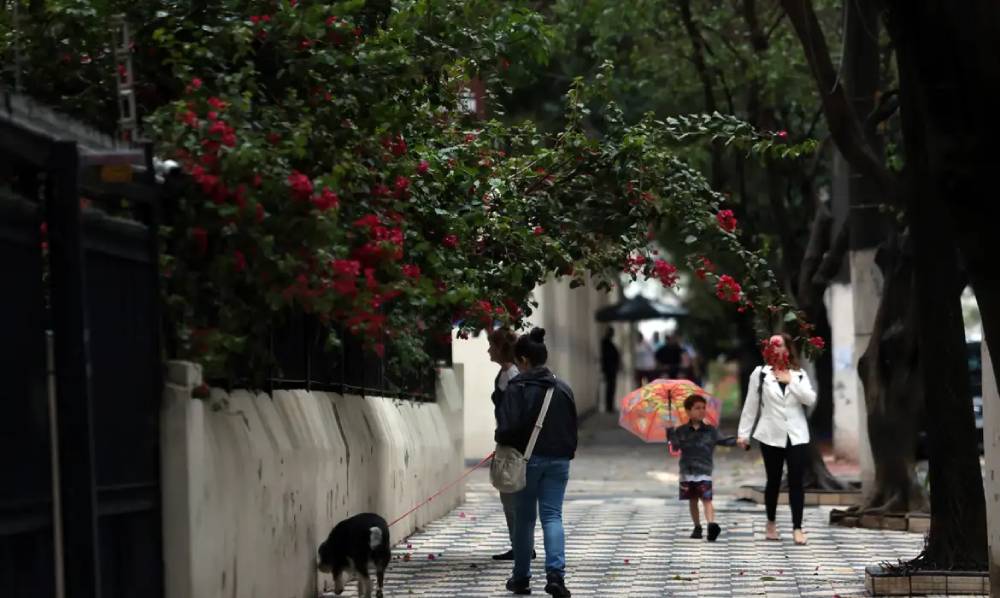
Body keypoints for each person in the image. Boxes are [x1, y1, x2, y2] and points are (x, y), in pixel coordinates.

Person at [495, 328, 577, 597]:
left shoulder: (516, 388)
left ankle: (521, 578)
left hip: (527, 461)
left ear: (524, 361)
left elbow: (506, 429)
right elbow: (572, 429)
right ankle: (555, 575)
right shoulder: (563, 388)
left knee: (525, 519)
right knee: (553, 516)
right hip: (559, 461)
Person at [736, 333, 817, 546]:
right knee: (773, 480)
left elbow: (810, 399)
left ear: (788, 349)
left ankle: (797, 528)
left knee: (796, 482)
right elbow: (751, 405)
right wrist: (743, 434)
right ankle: (771, 522)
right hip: (770, 435)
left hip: (796, 435)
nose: (777, 350)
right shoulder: (760, 374)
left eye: (780, 346)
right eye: (773, 346)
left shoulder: (798, 374)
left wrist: (791, 382)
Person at [488, 327, 534, 561]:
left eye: (491, 346)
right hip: (508, 440)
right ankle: (520, 544)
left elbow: (515, 414)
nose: (488, 350)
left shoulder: (513, 375)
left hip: (514, 444)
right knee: (510, 496)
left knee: (512, 494)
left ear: (500, 349)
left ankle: (523, 546)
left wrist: (505, 438)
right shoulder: (507, 374)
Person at [667, 394, 737, 542]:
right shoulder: (681, 431)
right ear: (688, 411)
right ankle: (697, 526)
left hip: (704, 471)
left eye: (703, 408)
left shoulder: (710, 431)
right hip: (687, 471)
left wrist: (739, 441)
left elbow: (723, 440)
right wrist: (670, 431)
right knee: (693, 500)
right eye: (697, 408)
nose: (701, 411)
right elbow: (675, 446)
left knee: (707, 499)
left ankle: (711, 525)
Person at [599, 328, 621, 413]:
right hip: (609, 369)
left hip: (611, 369)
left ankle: (610, 406)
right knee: (610, 387)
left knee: (611, 387)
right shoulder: (606, 343)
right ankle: (609, 406)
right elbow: (607, 357)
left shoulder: (609, 343)